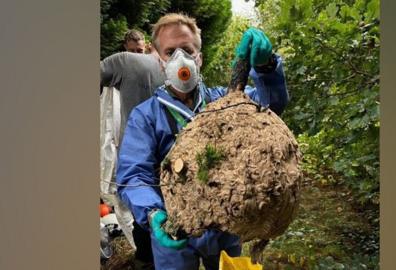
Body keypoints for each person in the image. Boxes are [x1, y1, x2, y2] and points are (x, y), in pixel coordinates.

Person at [116, 13, 288, 270]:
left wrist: (266, 69)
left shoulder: (225, 101)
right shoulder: (147, 115)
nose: (179, 59)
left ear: (199, 57)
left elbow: (268, 110)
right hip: (175, 224)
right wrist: (153, 214)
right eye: (170, 51)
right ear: (160, 62)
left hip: (226, 221)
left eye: (187, 49)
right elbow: (133, 175)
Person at [100, 30, 165, 269]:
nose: (137, 54)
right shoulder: (123, 63)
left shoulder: (124, 62)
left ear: (147, 45)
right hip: (149, 148)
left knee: (146, 207)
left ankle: (149, 259)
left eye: (141, 49)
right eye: (134, 50)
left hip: (147, 148)